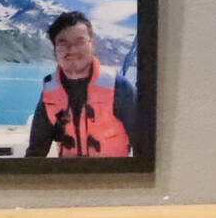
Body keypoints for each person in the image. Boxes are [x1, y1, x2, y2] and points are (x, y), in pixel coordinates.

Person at [25, 10, 134, 158]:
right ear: (55, 50)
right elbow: (36, 151)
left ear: (92, 45)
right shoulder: (49, 92)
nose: (72, 50)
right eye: (63, 44)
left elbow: (145, 146)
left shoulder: (119, 87)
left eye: (80, 42)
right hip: (70, 177)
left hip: (113, 176)